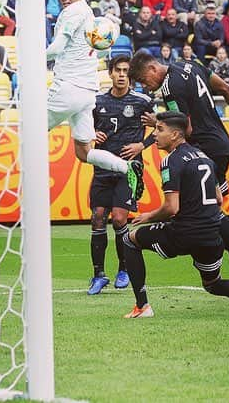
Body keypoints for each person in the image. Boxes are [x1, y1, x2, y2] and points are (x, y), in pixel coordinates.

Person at [128, 52, 229, 290]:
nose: (147, 87)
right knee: (213, 207)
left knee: (212, 211)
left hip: (203, 147)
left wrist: (158, 123)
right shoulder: (189, 64)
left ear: (152, 69)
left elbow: (186, 128)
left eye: (145, 81)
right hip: (221, 142)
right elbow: (225, 87)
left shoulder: (170, 88)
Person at [120, 111, 229, 318]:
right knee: (212, 284)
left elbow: (171, 208)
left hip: (183, 233)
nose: (155, 134)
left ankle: (142, 307)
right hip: (212, 236)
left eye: (159, 129)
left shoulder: (170, 161)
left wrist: (148, 216)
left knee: (130, 240)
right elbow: (219, 199)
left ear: (175, 135)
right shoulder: (205, 157)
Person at [46, 0, 145, 193]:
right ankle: (127, 167)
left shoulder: (72, 13)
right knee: (84, 153)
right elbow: (100, 53)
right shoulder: (89, 14)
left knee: (31, 131)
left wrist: (31, 60)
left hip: (68, 88)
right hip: (87, 92)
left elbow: (57, 49)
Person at [87, 56, 155, 295]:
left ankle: (123, 269)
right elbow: (83, 128)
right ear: (110, 73)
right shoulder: (97, 102)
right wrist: (93, 132)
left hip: (129, 169)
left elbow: (164, 127)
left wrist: (141, 145)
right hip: (102, 169)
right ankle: (98, 275)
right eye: (118, 70)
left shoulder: (143, 101)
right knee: (97, 217)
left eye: (126, 71)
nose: (122, 75)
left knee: (118, 219)